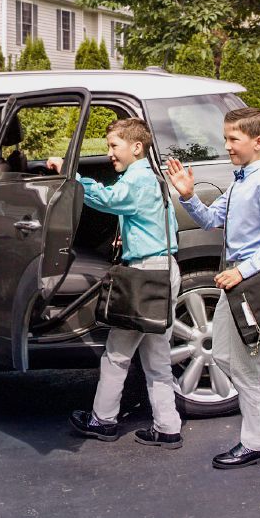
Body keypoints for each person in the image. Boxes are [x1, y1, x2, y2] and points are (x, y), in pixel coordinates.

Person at [167, 107, 260, 469]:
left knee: (243, 364)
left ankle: (256, 442)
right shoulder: (241, 180)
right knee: (226, 356)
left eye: (234, 139)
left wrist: (241, 271)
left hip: (250, 285)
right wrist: (187, 196)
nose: (227, 145)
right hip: (235, 282)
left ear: (257, 142)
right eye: (227, 138)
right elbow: (212, 219)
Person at [53, 118, 184, 449]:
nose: (109, 152)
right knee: (157, 358)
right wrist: (125, 235)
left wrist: (72, 178)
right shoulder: (152, 177)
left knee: (117, 353)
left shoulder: (136, 180)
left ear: (136, 147)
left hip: (144, 274)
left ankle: (103, 419)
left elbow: (109, 200)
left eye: (114, 145)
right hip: (165, 270)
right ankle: (168, 427)